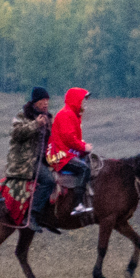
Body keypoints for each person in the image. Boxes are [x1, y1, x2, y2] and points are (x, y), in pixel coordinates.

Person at [44, 86, 96, 217]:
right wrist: (84, 147)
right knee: (84, 169)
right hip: (59, 155)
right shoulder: (66, 114)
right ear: (76, 100)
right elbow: (69, 139)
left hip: (64, 152)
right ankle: (78, 204)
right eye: (82, 101)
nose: (84, 104)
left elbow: (72, 139)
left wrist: (83, 145)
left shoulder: (71, 114)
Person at [4, 87, 51, 228]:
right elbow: (17, 134)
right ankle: (32, 215)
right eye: (43, 100)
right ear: (35, 102)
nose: (46, 104)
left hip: (42, 159)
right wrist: (36, 124)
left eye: (47, 101)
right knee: (49, 181)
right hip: (24, 162)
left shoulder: (48, 117)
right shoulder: (22, 115)